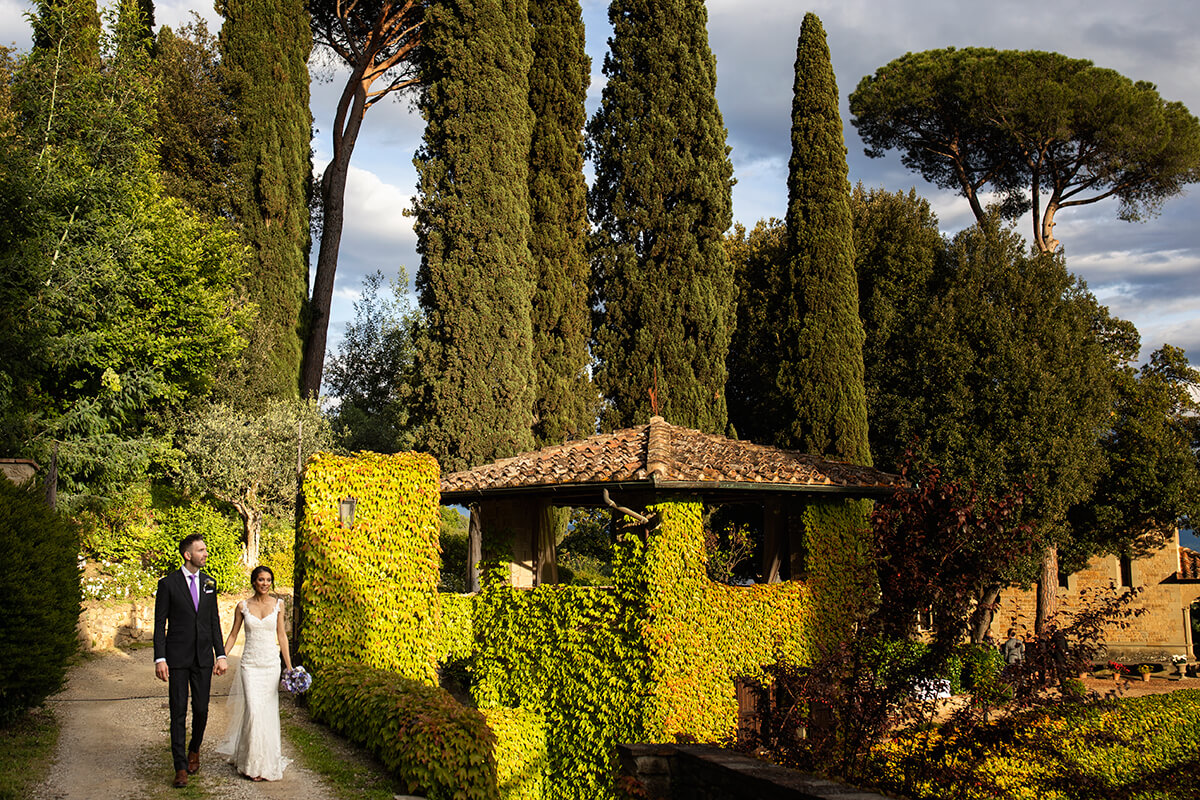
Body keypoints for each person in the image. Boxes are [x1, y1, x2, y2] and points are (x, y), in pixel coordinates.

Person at [153, 534, 228, 789]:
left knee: (201, 709)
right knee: (177, 711)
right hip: (176, 657)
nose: (205, 553)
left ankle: (194, 748)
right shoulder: (168, 584)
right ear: (188, 555)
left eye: (205, 549)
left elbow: (214, 621)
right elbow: (159, 623)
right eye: (201, 550)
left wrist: (221, 655)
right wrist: (160, 658)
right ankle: (180, 766)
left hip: (203, 658)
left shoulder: (209, 583)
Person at [216, 565, 293, 781]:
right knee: (253, 710)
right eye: (261, 580)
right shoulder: (242, 606)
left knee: (267, 713)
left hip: (270, 665)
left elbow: (282, 636)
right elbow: (232, 635)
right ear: (254, 581)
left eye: (268, 580)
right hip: (249, 665)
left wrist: (288, 666)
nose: (265, 583)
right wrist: (221, 656)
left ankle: (265, 762)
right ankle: (250, 762)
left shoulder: (279, 605)